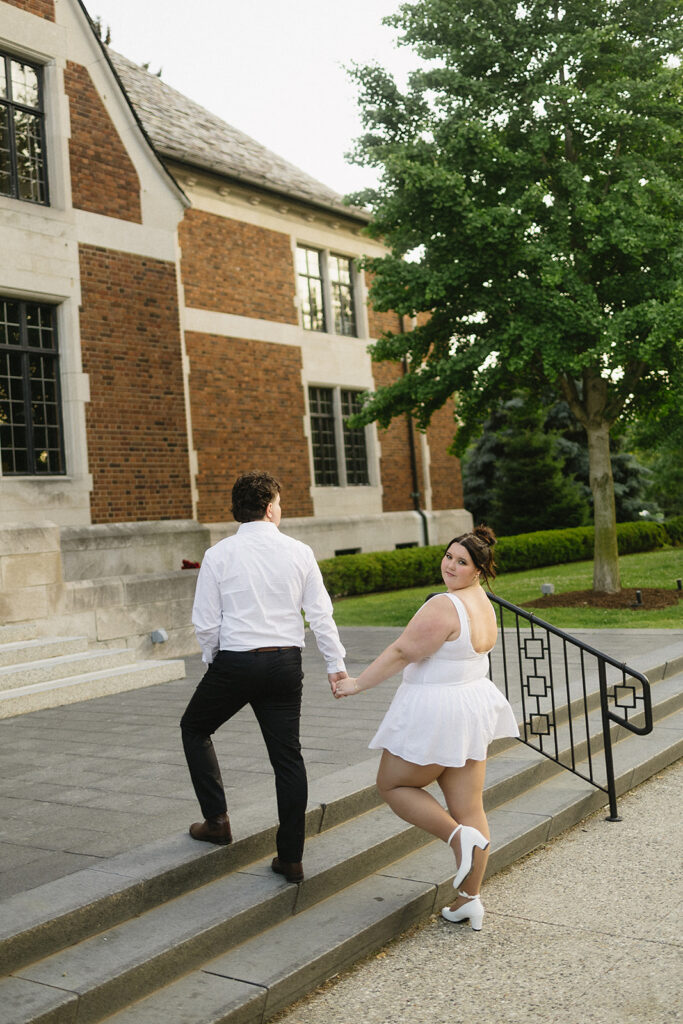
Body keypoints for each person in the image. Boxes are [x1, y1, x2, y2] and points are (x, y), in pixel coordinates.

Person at [333, 525, 518, 930]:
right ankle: (469, 898)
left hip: (439, 709)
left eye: (462, 562)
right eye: (449, 556)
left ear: (479, 570)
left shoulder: (444, 606)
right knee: (470, 807)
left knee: (394, 785)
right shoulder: (483, 604)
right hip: (471, 705)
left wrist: (357, 683)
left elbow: (402, 651)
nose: (450, 565)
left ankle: (458, 839)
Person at [181, 471, 347, 884]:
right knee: (287, 758)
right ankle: (291, 858)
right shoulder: (299, 551)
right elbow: (320, 614)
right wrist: (335, 664)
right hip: (285, 665)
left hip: (236, 662)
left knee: (195, 727)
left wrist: (214, 661)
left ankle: (217, 822)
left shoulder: (219, 554)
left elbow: (205, 621)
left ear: (239, 510)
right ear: (271, 507)